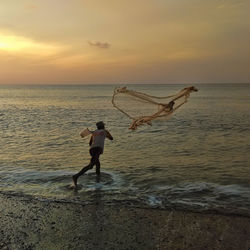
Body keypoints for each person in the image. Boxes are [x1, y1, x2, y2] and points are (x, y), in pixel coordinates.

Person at [72, 121, 113, 187]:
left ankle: (98, 179)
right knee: (91, 166)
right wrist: (105, 136)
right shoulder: (105, 131)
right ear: (103, 126)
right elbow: (111, 138)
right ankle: (76, 176)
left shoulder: (94, 132)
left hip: (92, 149)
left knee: (97, 164)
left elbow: (90, 143)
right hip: (98, 149)